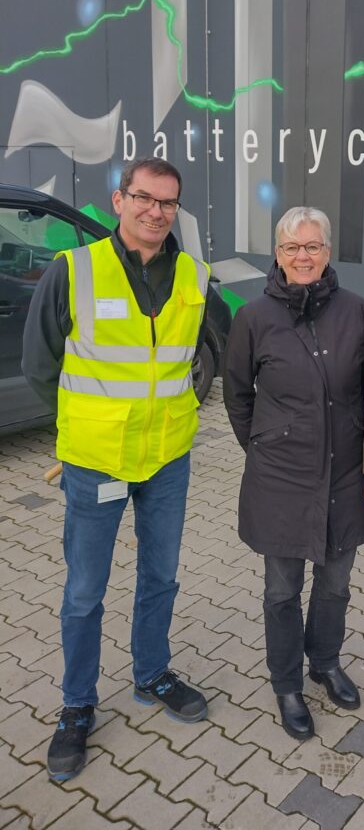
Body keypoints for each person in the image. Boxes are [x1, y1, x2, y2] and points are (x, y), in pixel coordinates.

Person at [22, 158, 212, 783]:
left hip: (167, 458)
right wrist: (81, 428)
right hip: (97, 461)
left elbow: (192, 359)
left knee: (160, 576)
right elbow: (40, 364)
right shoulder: (73, 269)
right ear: (119, 199)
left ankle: (151, 672)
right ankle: (77, 704)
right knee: (84, 591)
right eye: (144, 198)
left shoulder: (194, 274)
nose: (155, 212)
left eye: (167, 203)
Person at [223, 206, 364, 740]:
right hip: (281, 478)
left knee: (335, 584)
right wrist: (267, 447)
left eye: (313, 246)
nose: (303, 256)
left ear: (328, 252)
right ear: (278, 254)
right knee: (281, 590)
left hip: (344, 474)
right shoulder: (254, 317)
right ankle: (287, 682)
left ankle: (326, 662)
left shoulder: (357, 311)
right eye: (292, 248)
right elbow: (237, 395)